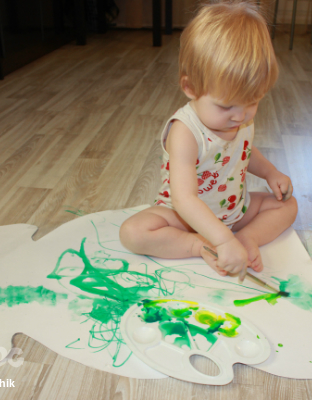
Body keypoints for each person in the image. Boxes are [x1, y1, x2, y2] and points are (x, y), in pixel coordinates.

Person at [119, 0, 298, 282]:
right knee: (133, 233)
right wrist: (222, 240)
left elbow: (244, 151)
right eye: (226, 106)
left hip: (233, 209)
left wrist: (271, 173)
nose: (240, 116)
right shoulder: (185, 132)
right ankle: (198, 245)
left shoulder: (240, 118)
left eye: (253, 102)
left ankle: (248, 239)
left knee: (288, 205)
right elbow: (185, 199)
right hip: (183, 218)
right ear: (190, 87)